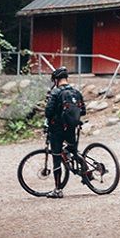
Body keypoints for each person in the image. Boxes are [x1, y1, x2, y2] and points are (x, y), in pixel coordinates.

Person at [43, 66, 86, 199]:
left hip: (57, 129)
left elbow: (48, 112)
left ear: (56, 80)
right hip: (72, 128)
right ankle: (87, 172)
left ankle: (57, 190)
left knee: (56, 157)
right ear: (66, 78)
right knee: (73, 150)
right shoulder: (76, 92)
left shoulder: (55, 92)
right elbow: (83, 111)